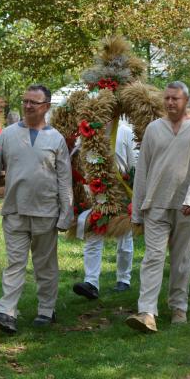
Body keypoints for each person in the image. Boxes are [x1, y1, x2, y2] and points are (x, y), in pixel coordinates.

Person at [0, 85, 73, 334]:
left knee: (45, 266)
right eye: (24, 101)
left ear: (46, 106)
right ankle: (6, 312)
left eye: (33, 102)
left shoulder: (56, 139)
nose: (27, 106)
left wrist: (65, 215)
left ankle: (46, 310)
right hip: (14, 211)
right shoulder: (7, 135)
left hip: (46, 213)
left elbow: (64, 180)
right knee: (15, 264)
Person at [126, 81, 190, 333]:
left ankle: (178, 307)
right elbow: (142, 170)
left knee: (182, 259)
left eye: (175, 98)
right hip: (156, 205)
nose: (170, 103)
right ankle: (147, 312)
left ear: (185, 101)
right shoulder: (154, 129)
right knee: (152, 257)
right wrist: (137, 209)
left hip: (186, 207)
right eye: (167, 98)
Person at [72, 121, 136, 299]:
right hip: (96, 190)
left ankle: (124, 278)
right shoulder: (89, 131)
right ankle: (91, 282)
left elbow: (133, 163)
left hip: (121, 190)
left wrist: (131, 187)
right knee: (93, 233)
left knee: (124, 237)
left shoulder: (124, 131)